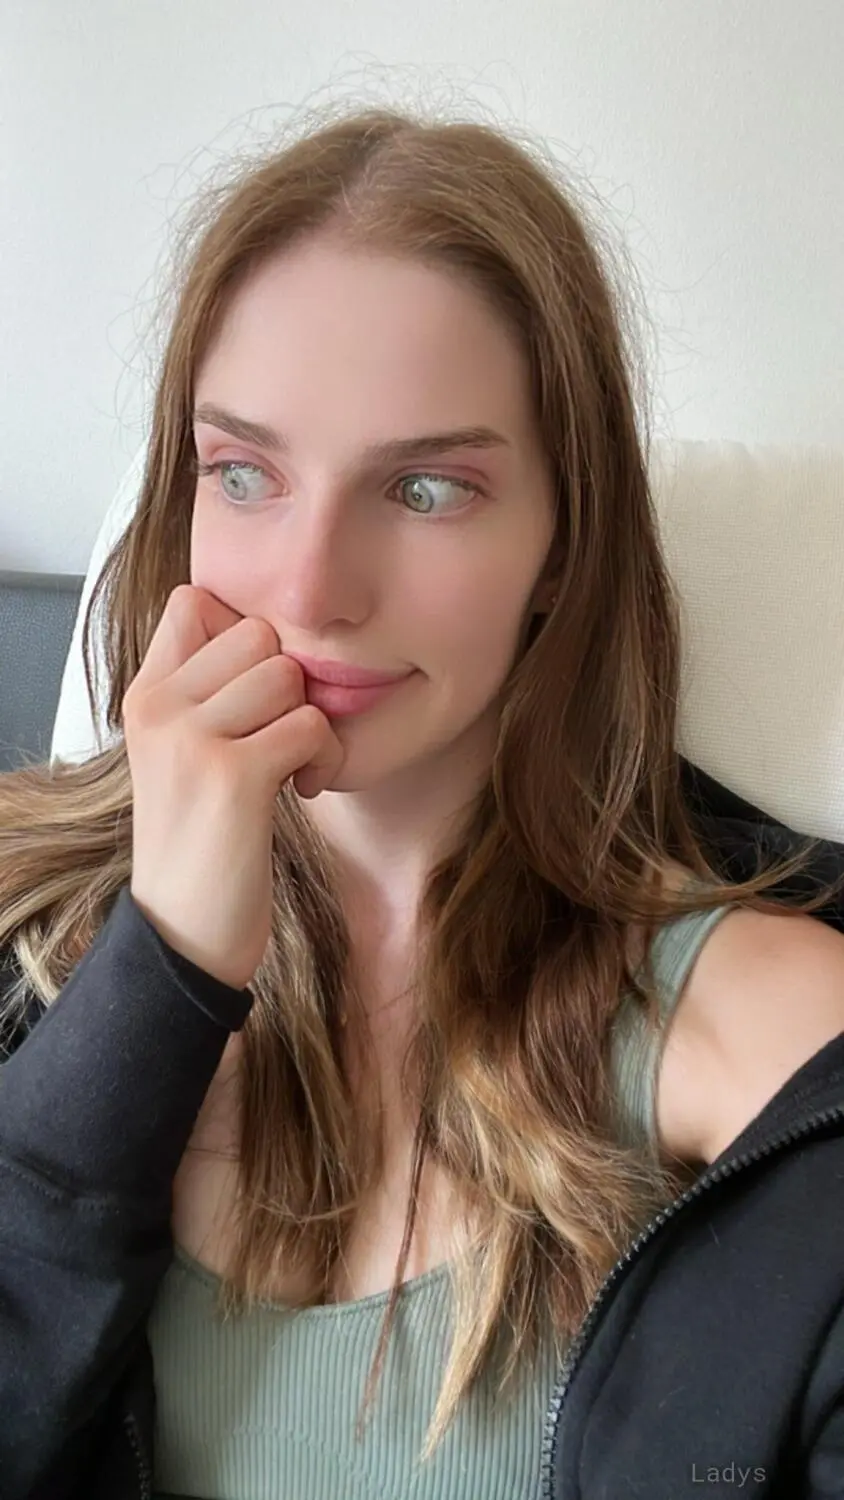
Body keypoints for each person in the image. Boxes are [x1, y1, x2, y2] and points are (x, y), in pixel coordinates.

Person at [1, 102, 844, 1500]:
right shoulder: (24, 929)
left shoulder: (774, 1030)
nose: (311, 589)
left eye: (427, 488)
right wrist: (163, 970)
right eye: (245, 473)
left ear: (564, 544)